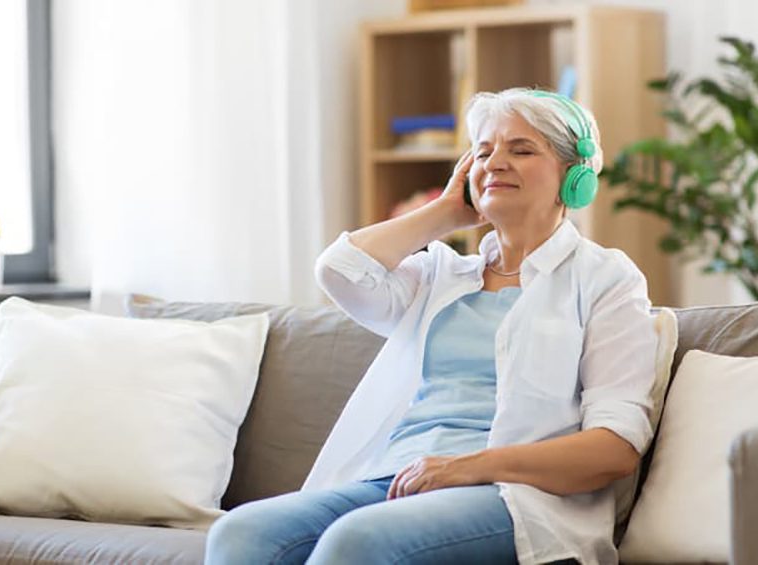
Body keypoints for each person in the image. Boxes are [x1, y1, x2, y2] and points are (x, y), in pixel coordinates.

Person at [204, 87, 658, 565]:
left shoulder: (605, 278)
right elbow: (339, 270)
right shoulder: (442, 275)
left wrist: (469, 467)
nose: (496, 162)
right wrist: (447, 211)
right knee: (241, 533)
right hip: (396, 477)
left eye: (522, 150)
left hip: (514, 495)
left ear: (575, 176)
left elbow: (615, 449)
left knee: (357, 542)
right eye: (483, 152)